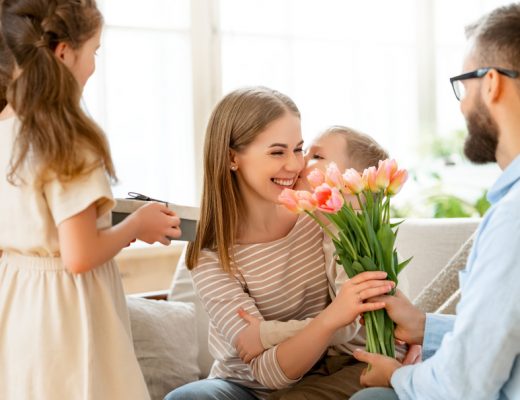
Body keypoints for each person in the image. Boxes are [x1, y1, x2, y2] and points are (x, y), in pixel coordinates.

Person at [164, 87, 396, 400]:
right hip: (247, 386)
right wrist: (331, 318)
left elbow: (357, 318)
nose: (296, 165)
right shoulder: (209, 253)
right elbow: (268, 372)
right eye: (277, 152)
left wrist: (267, 334)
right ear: (233, 158)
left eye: (299, 149)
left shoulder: (320, 216)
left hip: (329, 372)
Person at [0, 1, 182, 399]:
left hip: (16, 305)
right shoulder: (67, 137)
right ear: (64, 52)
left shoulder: (5, 130)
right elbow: (79, 255)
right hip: (66, 311)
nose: (94, 66)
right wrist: (136, 225)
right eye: (94, 51)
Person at [350, 4, 520, 399]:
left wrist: (397, 377)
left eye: (464, 85)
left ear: (491, 83)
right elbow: (501, 333)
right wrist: (427, 327)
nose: (462, 105)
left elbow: (464, 385)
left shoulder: (513, 219)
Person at [234, 126, 421, 400]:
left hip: (374, 357)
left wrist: (266, 333)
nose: (299, 162)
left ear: (350, 181)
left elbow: (347, 322)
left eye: (316, 156)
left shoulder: (361, 240)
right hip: (338, 359)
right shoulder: (325, 228)